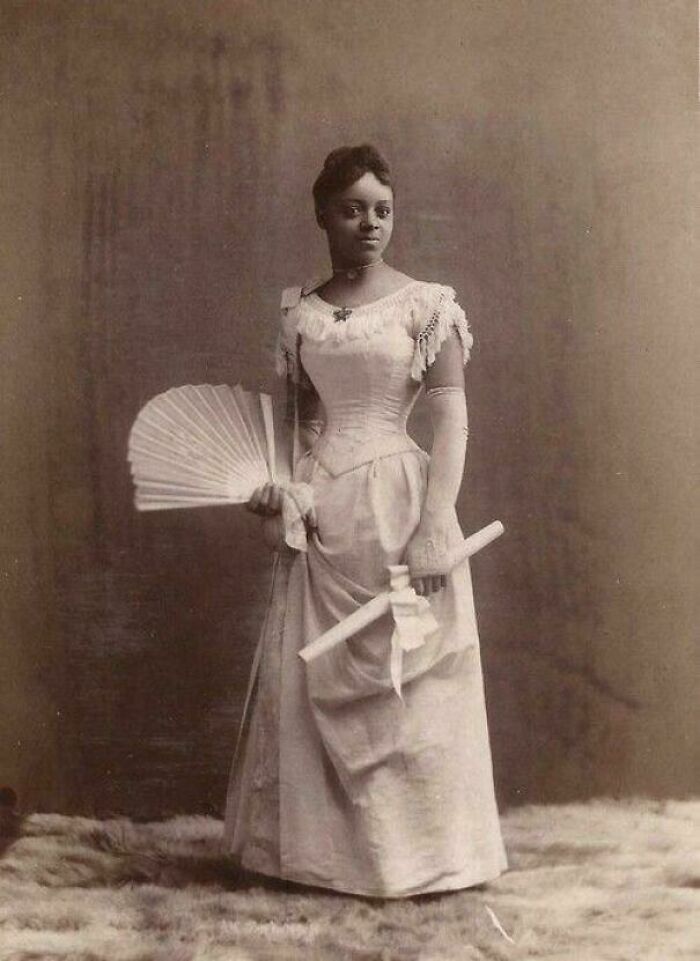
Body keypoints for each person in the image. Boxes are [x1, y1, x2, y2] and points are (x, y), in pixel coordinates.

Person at [224, 144, 507, 898]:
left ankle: (419, 861)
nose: (370, 224)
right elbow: (297, 429)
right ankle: (320, 859)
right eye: (352, 209)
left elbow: (452, 420)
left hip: (400, 502)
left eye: (382, 209)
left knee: (405, 678)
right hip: (325, 514)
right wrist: (280, 489)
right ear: (323, 215)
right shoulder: (301, 314)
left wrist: (436, 522)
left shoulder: (428, 305)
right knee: (313, 672)